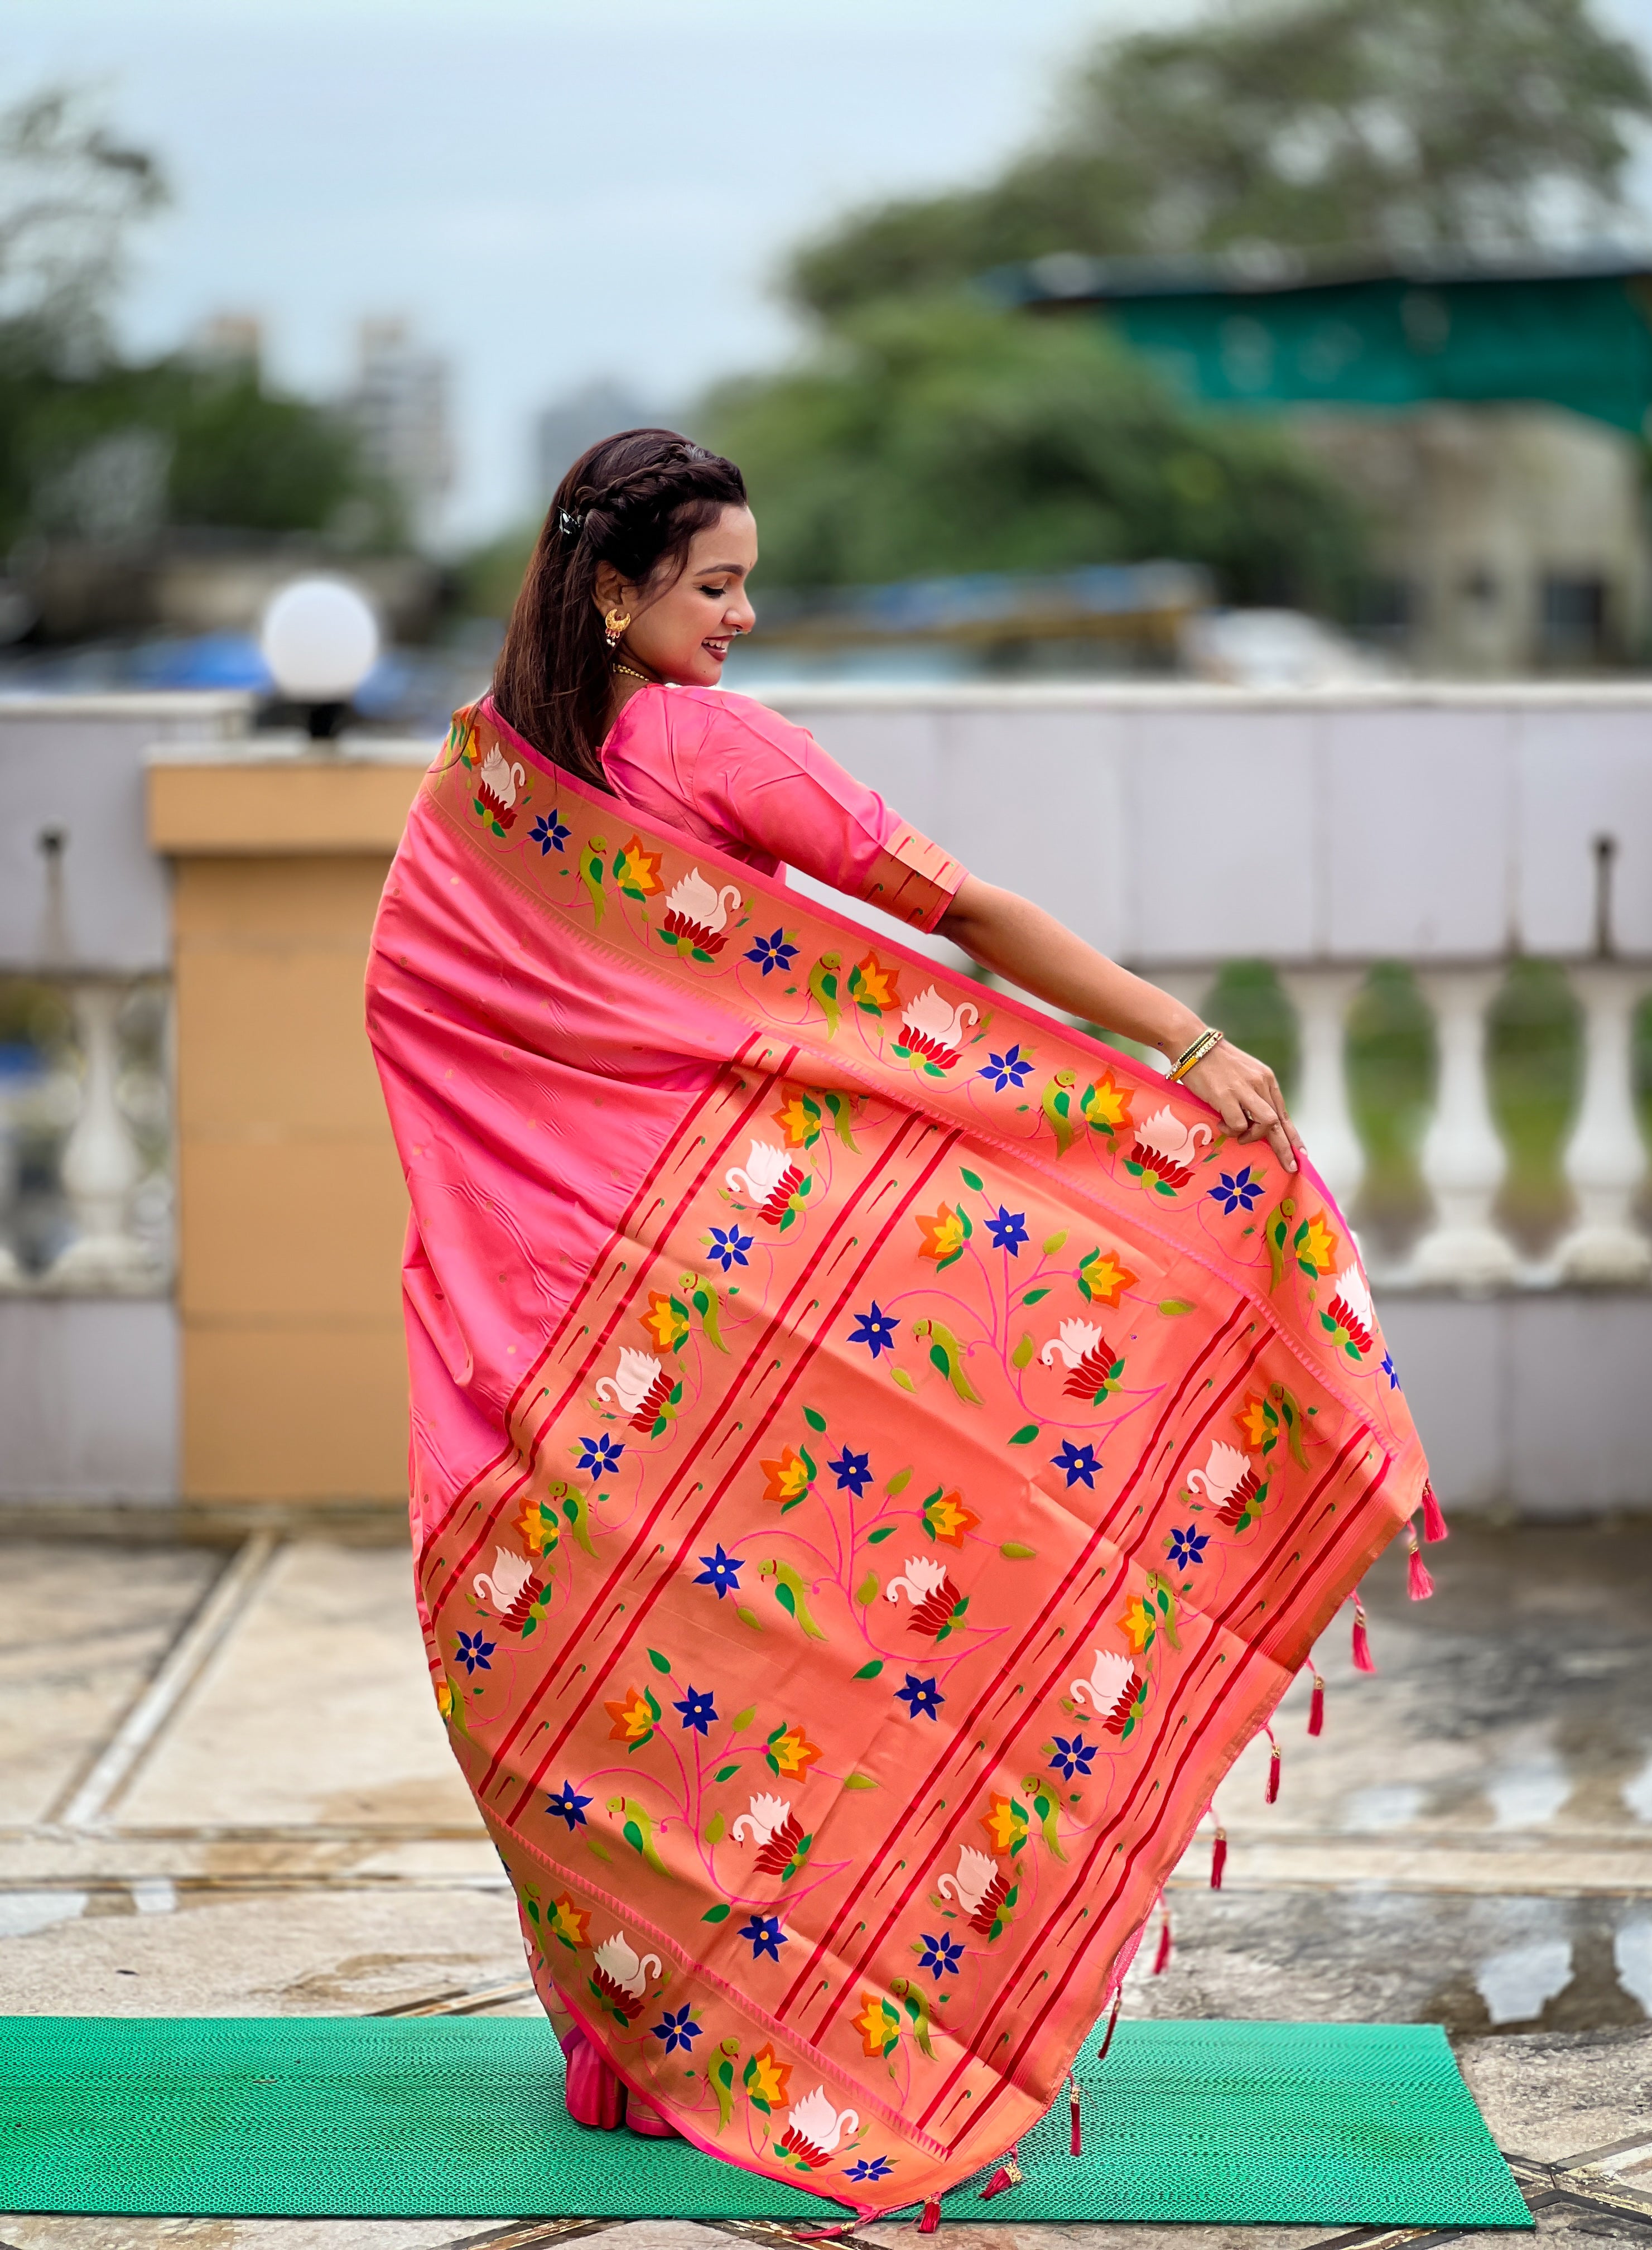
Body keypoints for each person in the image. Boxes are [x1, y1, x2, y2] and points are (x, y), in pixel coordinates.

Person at [365, 430, 1432, 2220]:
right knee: (803, 1632)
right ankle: (789, 2033)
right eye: (716, 585)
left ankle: (638, 2043)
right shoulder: (697, 744)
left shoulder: (488, 795)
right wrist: (1179, 1043)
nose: (744, 616)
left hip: (569, 1323)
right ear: (616, 594)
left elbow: (413, 1005)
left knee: (643, 1671)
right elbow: (962, 911)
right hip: (717, 1280)